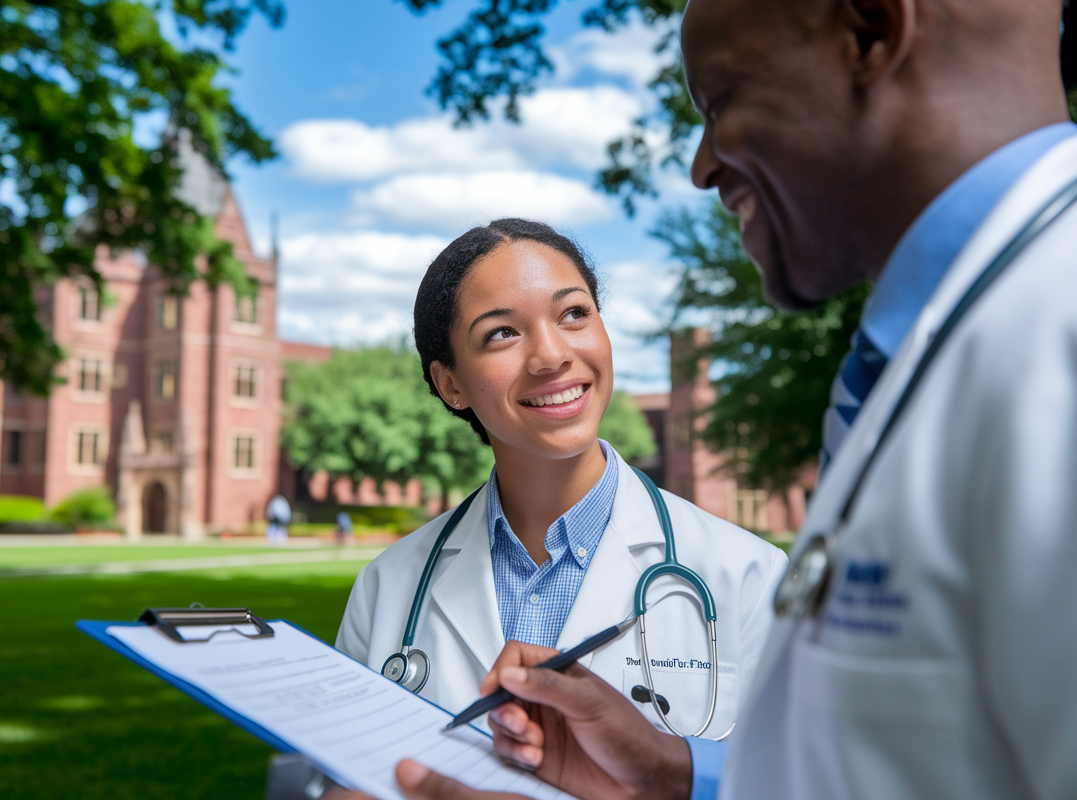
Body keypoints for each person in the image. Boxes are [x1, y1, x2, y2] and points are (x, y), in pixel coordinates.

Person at [349, 0, 1077, 798]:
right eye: (501, 334)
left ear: (873, 30)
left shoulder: (1045, 339)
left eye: (723, 100)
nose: (701, 167)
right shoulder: (926, 356)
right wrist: (673, 776)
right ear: (445, 380)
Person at [335, 218, 787, 739]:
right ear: (450, 383)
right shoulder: (387, 588)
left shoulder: (749, 578)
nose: (551, 356)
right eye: (501, 332)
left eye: (574, 313)